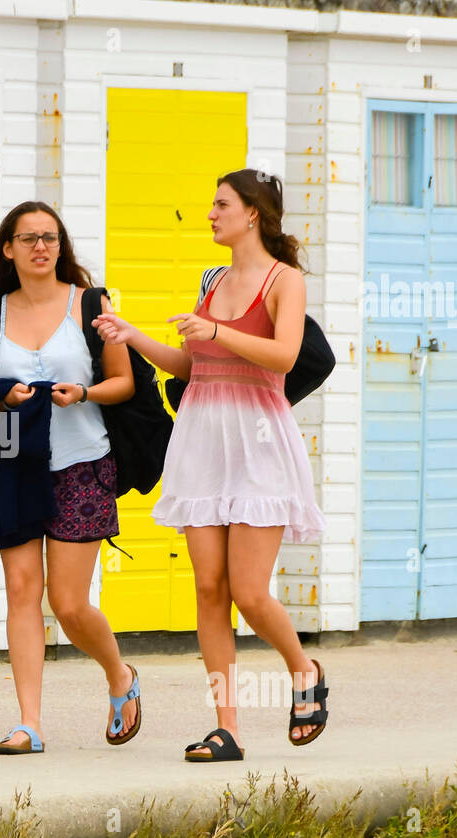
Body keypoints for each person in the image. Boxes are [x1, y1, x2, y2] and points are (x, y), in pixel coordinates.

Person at [94, 170, 329, 762]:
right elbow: (191, 365)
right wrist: (133, 335)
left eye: (221, 204)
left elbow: (285, 354)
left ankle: (304, 670)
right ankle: (227, 728)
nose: (210, 214)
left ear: (253, 214)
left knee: (249, 592)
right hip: (203, 439)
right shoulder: (213, 279)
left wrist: (218, 329)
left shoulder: (285, 281)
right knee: (207, 588)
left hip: (256, 443)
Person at [0, 200, 141, 755]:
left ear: (61, 246)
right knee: (20, 589)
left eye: (50, 237)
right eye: (28, 237)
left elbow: (124, 382)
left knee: (67, 603)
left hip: (83, 462)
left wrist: (83, 392)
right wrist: (3, 396)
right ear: (8, 249)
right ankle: (29, 724)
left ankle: (120, 675)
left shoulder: (91, 303)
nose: (40, 246)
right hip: (14, 464)